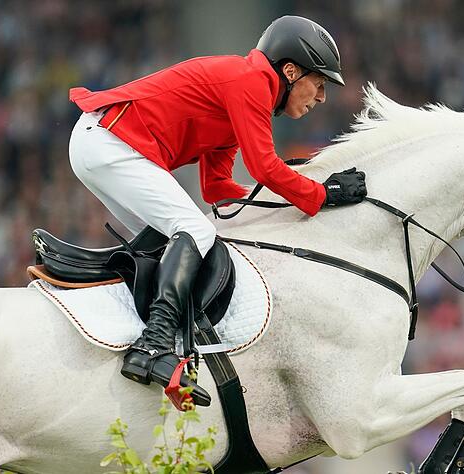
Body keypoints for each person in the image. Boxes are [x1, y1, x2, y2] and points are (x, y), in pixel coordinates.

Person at [67, 15, 367, 405]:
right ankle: (153, 346)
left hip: (103, 143)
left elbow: (217, 188)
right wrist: (321, 194)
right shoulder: (250, 82)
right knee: (196, 232)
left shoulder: (245, 90)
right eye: (319, 83)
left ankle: (152, 347)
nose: (321, 97)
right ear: (290, 71)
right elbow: (264, 168)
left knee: (171, 243)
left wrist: (289, 197)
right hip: (110, 142)